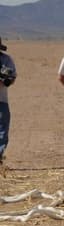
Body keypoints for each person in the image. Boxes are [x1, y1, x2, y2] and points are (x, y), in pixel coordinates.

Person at [0, 37, 16, 165]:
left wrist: (6, 81)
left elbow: (12, 77)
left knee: (2, 129)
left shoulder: (6, 59)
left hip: (2, 100)